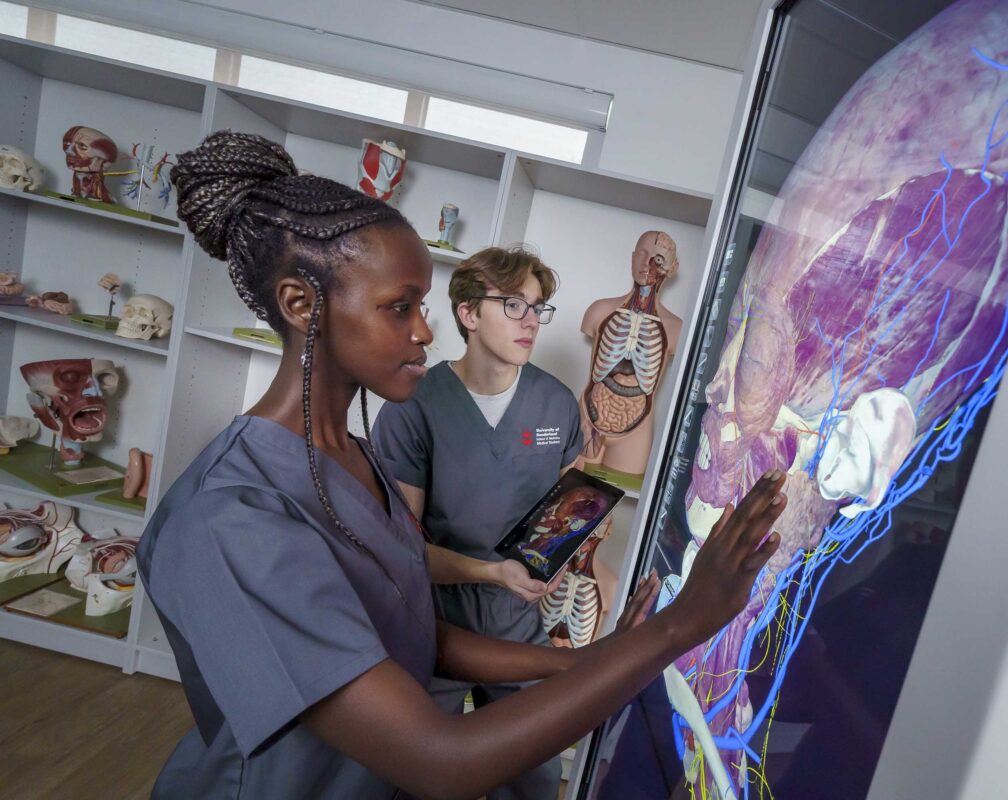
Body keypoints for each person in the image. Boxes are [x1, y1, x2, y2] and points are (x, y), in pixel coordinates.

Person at [136, 131, 786, 800]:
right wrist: (683, 624)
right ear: (304, 305)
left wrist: (589, 658)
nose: (424, 330)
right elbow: (439, 760)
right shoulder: (231, 518)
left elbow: (415, 635)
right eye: (399, 308)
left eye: (421, 305)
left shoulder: (352, 459)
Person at [371, 246, 588, 799]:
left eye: (538, 308)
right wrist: (492, 573)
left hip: (517, 619)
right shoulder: (414, 406)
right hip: (434, 623)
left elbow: (568, 517)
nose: (532, 321)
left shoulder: (556, 404)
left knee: (533, 776)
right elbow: (399, 550)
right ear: (468, 314)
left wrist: (565, 556)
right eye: (514, 305)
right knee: (412, 774)